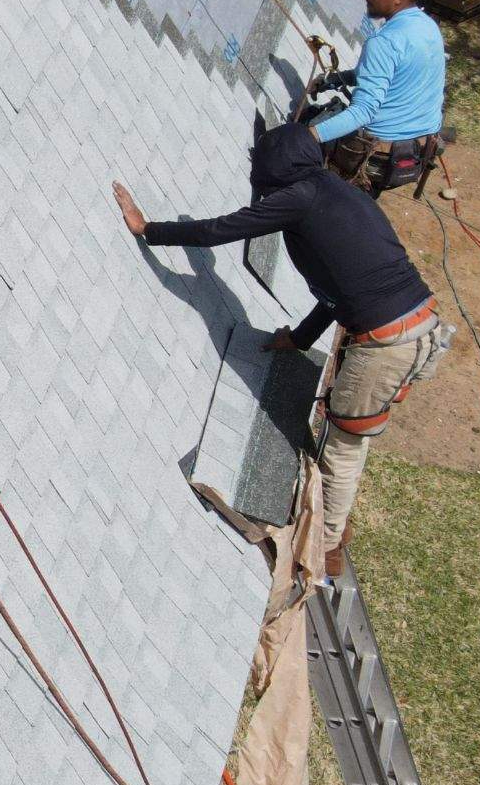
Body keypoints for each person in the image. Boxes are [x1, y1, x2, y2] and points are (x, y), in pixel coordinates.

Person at [113, 122, 443, 575]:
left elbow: (219, 230)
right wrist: (301, 339)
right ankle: (334, 523)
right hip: (421, 328)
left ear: (276, 169)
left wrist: (148, 228)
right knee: (351, 432)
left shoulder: (298, 197)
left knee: (344, 449)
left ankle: (321, 551)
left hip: (389, 344)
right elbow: (339, 288)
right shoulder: (336, 192)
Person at [308, 0, 447, 193]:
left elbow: (363, 111)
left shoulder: (384, 42)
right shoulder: (427, 27)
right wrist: (333, 80)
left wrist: (309, 136)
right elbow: (383, 75)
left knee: (305, 154)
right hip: (415, 152)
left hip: (375, 158)